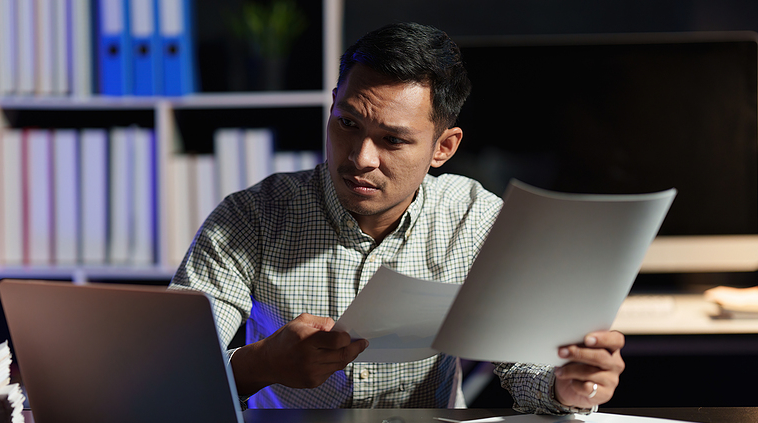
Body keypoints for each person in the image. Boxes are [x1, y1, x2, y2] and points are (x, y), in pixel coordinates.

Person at [170, 22, 625, 413]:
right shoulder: (250, 217)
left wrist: (564, 386)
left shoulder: (475, 218)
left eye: (392, 140)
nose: (361, 158)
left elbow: (522, 360)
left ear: (443, 148)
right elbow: (171, 377)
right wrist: (263, 364)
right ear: (333, 105)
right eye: (347, 124)